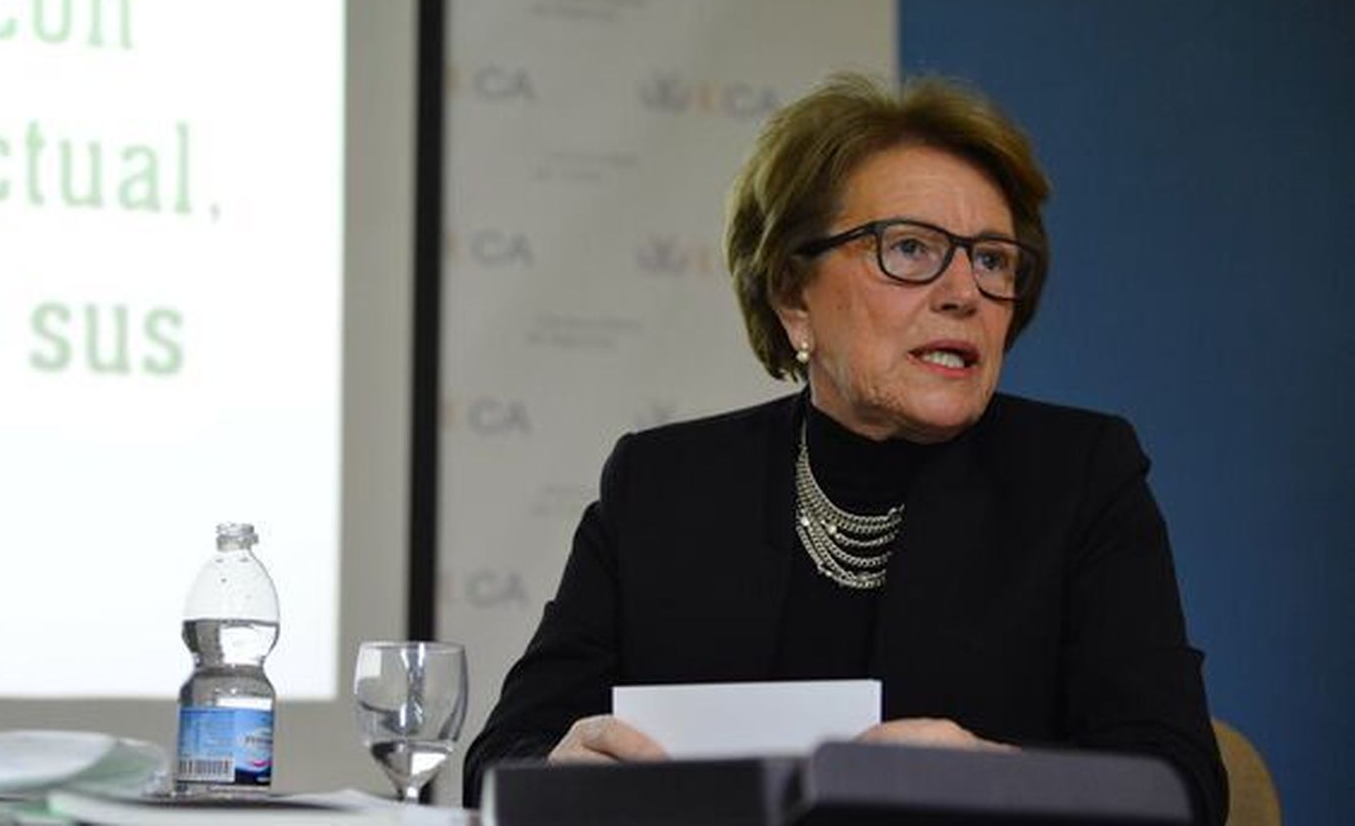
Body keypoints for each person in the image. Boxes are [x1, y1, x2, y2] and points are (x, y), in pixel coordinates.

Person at [461, 73, 1227, 823]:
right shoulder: (662, 487)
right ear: (794, 295)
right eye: (911, 249)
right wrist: (560, 771)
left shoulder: (1079, 476)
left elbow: (1181, 785)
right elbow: (498, 763)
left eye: (992, 259)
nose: (964, 291)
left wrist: (999, 781)